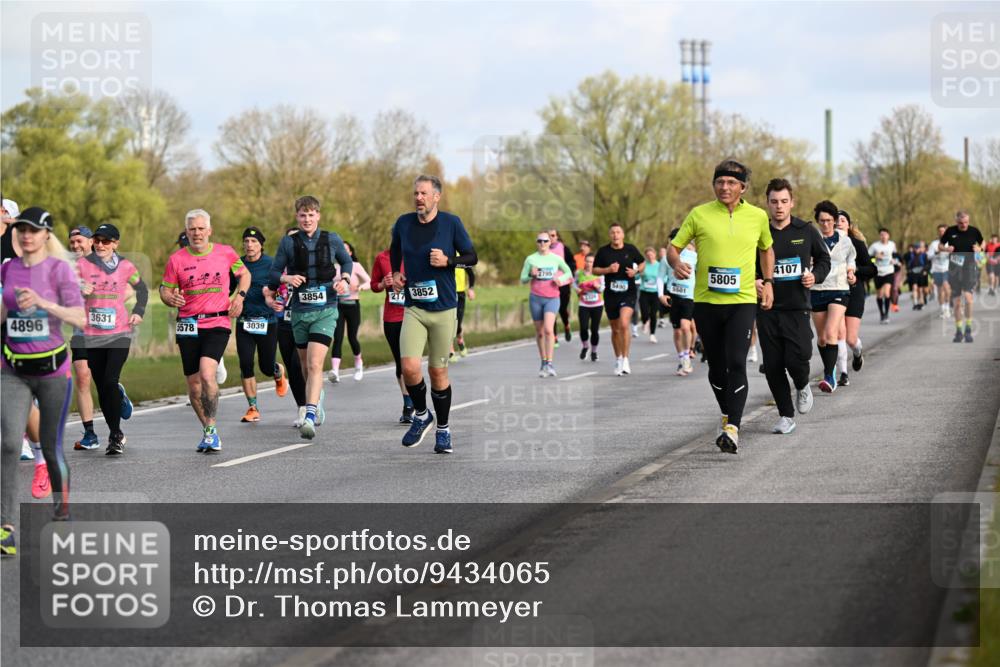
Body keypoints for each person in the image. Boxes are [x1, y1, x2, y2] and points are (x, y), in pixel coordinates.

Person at [668, 159, 774, 453]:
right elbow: (673, 247)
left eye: (730, 183)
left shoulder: (757, 216)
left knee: (737, 362)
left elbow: (766, 249)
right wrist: (676, 263)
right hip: (706, 301)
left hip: (741, 301)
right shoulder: (699, 214)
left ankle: (733, 428)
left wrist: (768, 282)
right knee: (716, 367)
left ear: (743, 187)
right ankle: (728, 412)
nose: (724, 187)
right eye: (719, 182)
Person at [1, 207, 86, 556]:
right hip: (12, 370)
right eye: (21, 229)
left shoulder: (59, 270)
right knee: (7, 444)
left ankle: (62, 514)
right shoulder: (8, 268)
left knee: (50, 448)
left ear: (46, 235)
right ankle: (5, 527)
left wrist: (43, 303)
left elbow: (79, 316)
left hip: (52, 371)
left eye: (33, 230)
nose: (26, 235)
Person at [391, 175, 477, 454]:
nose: (418, 198)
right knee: (409, 367)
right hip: (414, 307)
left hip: (444, 309)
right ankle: (420, 414)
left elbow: (471, 256)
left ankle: (443, 429)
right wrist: (395, 272)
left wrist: (449, 261)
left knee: (438, 372)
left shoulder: (451, 223)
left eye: (424, 193)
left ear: (436, 197)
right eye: (416, 193)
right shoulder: (403, 223)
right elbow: (395, 248)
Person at [160, 209, 249, 453]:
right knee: (193, 385)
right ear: (186, 232)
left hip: (217, 322)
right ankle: (209, 431)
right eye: (192, 229)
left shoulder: (226, 252)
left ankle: (211, 427)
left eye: (201, 228)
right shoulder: (176, 259)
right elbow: (165, 290)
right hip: (188, 324)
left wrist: (239, 297)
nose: (197, 233)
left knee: (208, 374)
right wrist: (170, 298)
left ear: (209, 230)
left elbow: (245, 275)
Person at [268, 196, 352, 439]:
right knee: (306, 366)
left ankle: (310, 415)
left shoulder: (332, 239)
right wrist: (286, 278)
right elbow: (274, 273)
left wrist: (344, 280)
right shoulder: (288, 242)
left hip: (326, 309)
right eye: (303, 215)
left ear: (318, 216)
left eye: (311, 214)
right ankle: (317, 398)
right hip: (300, 311)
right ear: (297, 217)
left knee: (315, 364)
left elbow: (346, 262)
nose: (307, 219)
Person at [756, 179, 830, 434]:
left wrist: (815, 276)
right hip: (767, 308)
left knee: (798, 359)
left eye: (784, 202)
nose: (779, 207)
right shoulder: (759, 232)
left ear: (792, 203)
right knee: (774, 365)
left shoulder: (806, 230)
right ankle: (786, 416)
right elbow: (746, 264)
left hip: (797, 306)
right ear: (767, 203)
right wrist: (755, 280)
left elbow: (823, 259)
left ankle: (801, 384)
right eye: (774, 202)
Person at [77, 224, 147, 455]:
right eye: (97, 240)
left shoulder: (126, 266)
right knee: (103, 388)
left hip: (119, 334)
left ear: (115, 244)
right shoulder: (83, 265)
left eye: (106, 241)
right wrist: (79, 290)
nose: (99, 245)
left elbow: (142, 289)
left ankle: (115, 436)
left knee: (109, 381)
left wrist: (138, 311)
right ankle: (116, 432)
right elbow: (66, 291)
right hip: (92, 336)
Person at [234, 227, 287, 423]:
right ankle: (252, 407)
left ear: (261, 245)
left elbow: (282, 288)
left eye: (254, 242)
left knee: (265, 367)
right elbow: (228, 288)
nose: (249, 245)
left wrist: (277, 300)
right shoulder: (238, 265)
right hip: (244, 322)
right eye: (246, 241)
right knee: (246, 364)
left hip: (267, 321)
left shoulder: (271, 264)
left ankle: (277, 371)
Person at [810, 200, 856, 393]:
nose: (826, 224)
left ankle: (830, 377)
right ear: (817, 221)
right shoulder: (812, 239)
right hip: (817, 289)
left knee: (831, 332)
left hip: (839, 290)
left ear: (835, 220)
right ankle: (831, 370)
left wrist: (851, 272)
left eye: (829, 220)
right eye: (822, 221)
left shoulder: (845, 240)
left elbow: (851, 258)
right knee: (821, 339)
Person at [593, 224, 644, 376]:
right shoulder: (603, 251)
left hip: (628, 293)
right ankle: (619, 358)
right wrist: (607, 270)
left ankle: (626, 359)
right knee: (615, 329)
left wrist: (636, 271)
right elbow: (594, 269)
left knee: (623, 323)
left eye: (618, 232)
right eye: (613, 232)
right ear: (610, 235)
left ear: (623, 235)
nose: (615, 235)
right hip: (611, 295)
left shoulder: (630, 249)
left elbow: (642, 263)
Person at [66, 226, 101, 450]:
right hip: (80, 328)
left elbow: (125, 290)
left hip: (106, 330)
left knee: (105, 379)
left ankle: (117, 392)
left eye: (80, 241)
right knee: (82, 376)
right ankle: (90, 433)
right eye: (72, 242)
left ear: (91, 242)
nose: (76, 246)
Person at [270, 227, 308, 427]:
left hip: (306, 319)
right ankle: (302, 407)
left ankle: (312, 401)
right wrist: (272, 301)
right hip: (283, 321)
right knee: (292, 369)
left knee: (299, 363)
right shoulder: (280, 267)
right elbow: (269, 288)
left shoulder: (312, 264)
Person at [370, 245, 413, 423]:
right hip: (392, 318)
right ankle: (408, 404)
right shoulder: (382, 258)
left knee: (411, 361)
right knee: (400, 361)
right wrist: (383, 284)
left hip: (414, 315)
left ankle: (417, 402)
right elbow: (374, 285)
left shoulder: (415, 255)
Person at [521, 231, 573, 377]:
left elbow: (569, 272)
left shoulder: (555, 259)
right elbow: (523, 279)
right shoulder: (530, 259)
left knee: (549, 330)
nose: (542, 244)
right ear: (536, 243)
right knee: (539, 332)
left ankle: (550, 363)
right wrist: (531, 274)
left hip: (552, 297)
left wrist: (560, 280)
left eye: (545, 241)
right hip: (536, 298)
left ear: (550, 242)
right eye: (539, 241)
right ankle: (543, 362)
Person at [838, 210, 874, 384]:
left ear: (848, 224)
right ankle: (843, 373)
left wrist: (855, 271)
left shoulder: (857, 243)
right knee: (838, 333)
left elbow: (872, 270)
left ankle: (858, 353)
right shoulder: (824, 243)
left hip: (854, 291)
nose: (838, 223)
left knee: (850, 339)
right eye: (835, 220)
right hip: (834, 293)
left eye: (842, 220)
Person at [329, 241, 370, 383]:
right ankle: (335, 371)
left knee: (352, 337)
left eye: (346, 249)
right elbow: (326, 284)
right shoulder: (333, 267)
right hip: (337, 306)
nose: (344, 252)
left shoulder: (356, 266)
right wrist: (333, 286)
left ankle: (358, 365)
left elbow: (369, 281)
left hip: (353, 305)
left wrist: (359, 287)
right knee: (338, 337)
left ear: (351, 252)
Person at [940, 211, 984, 343]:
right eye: (961, 223)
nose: (964, 225)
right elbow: (940, 245)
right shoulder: (950, 231)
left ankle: (968, 329)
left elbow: (983, 243)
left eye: (966, 222)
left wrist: (980, 249)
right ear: (956, 221)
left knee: (969, 300)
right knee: (957, 302)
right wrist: (946, 249)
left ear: (968, 221)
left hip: (969, 268)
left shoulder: (974, 231)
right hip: (954, 269)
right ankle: (959, 330)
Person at [661, 229, 698, 376]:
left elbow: (701, 273)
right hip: (673, 296)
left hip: (689, 296)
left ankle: (688, 353)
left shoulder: (694, 256)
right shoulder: (666, 259)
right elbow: (660, 277)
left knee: (685, 326)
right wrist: (661, 295)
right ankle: (682, 357)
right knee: (676, 331)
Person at [547, 229, 576, 342]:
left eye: (553, 235)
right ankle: (554, 336)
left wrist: (566, 271)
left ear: (557, 236)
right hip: (550, 283)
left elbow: (572, 263)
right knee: (551, 309)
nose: (551, 238)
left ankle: (566, 325)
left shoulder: (563, 248)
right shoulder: (544, 250)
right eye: (548, 236)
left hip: (563, 282)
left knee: (562, 308)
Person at [575, 254, 604, 362]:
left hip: (597, 305)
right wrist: (577, 290)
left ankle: (594, 352)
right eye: (587, 261)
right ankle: (585, 346)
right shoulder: (579, 273)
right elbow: (574, 283)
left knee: (594, 330)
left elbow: (602, 288)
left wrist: (598, 287)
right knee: (583, 328)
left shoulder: (600, 274)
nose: (588, 264)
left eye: (591, 262)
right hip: (584, 304)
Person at [868, 228, 898, 324]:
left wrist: (895, 261)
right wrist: (875, 257)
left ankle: (886, 314)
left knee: (887, 293)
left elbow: (896, 256)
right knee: (880, 295)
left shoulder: (892, 245)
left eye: (885, 234)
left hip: (889, 271)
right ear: (879, 236)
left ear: (888, 236)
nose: (883, 236)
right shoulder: (874, 246)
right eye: (881, 234)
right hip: (878, 272)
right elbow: (868, 259)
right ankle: (882, 313)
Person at [928, 224, 953, 319]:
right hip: (936, 269)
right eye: (940, 231)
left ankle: (947, 307)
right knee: (940, 290)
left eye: (944, 231)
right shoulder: (934, 244)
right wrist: (936, 253)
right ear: (938, 232)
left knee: (947, 288)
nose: (942, 233)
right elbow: (928, 256)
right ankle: (942, 308)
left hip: (947, 269)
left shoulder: (950, 243)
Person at [638, 247, 662, 343]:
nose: (650, 256)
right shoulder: (644, 265)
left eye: (651, 254)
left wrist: (661, 282)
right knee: (644, 312)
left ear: (655, 255)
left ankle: (652, 334)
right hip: (644, 291)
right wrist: (640, 274)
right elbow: (636, 274)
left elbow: (664, 277)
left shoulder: (659, 265)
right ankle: (645, 322)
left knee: (653, 314)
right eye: (648, 255)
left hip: (655, 293)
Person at [451, 264, 475, 359]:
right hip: (448, 292)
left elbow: (471, 274)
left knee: (458, 321)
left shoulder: (461, 255)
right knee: (449, 321)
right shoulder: (444, 254)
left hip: (460, 293)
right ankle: (450, 349)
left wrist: (471, 289)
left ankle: (460, 339)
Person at [904, 241, 930, 310]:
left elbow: (927, 264)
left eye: (918, 248)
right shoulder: (910, 255)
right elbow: (907, 264)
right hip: (913, 274)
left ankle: (921, 302)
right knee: (914, 287)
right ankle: (915, 303)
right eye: (915, 248)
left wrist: (925, 270)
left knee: (921, 290)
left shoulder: (924, 255)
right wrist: (908, 270)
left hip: (921, 274)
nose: (916, 249)